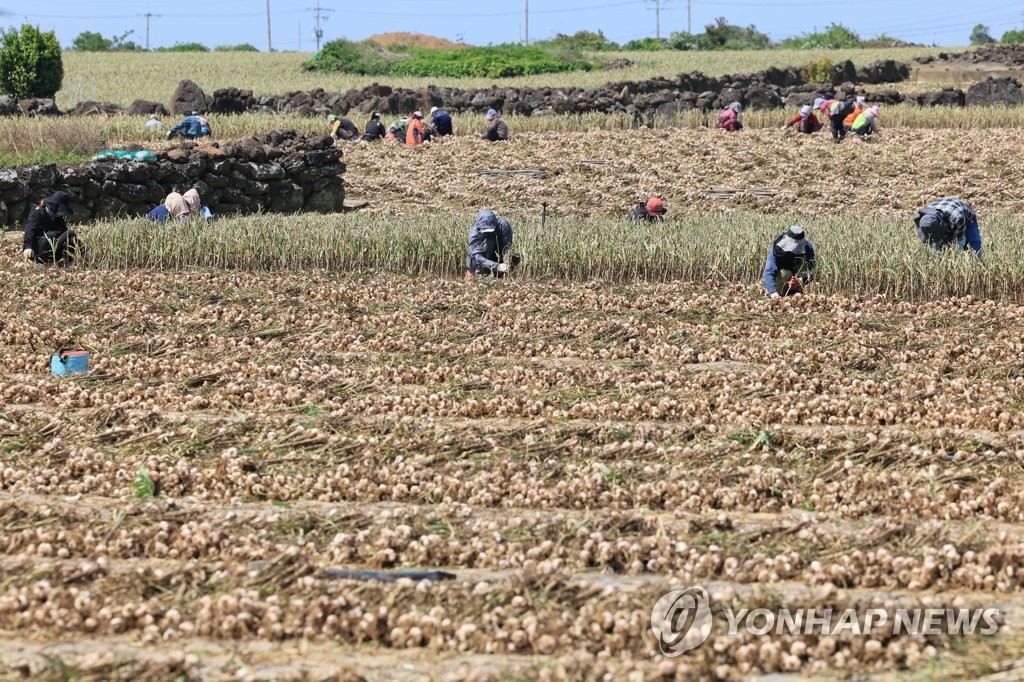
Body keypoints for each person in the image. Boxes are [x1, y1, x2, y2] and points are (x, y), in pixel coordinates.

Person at [22, 191, 81, 266]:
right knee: (52, 235)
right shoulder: (37, 213)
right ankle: (38, 262)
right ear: (55, 206)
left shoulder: (58, 218)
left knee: (69, 234)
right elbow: (30, 231)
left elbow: (65, 233)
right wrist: (28, 247)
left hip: (52, 251)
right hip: (38, 250)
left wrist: (80, 249)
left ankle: (73, 259)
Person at [914, 197, 981, 256]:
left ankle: (979, 262)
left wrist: (956, 260)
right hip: (944, 211)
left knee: (974, 248)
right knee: (938, 251)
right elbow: (934, 245)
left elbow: (960, 242)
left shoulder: (957, 219)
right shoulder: (923, 219)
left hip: (966, 217)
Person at [763, 225, 816, 298]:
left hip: (798, 278)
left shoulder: (807, 247)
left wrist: (800, 281)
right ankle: (780, 292)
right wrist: (772, 292)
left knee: (803, 264)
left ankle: (797, 291)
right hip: (782, 279)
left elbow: (813, 270)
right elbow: (769, 271)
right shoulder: (777, 247)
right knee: (785, 274)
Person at [465, 210, 518, 277]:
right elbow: (477, 257)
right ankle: (479, 274)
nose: (488, 233)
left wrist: (506, 254)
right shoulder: (473, 234)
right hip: (482, 259)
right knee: (488, 244)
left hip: (497, 252)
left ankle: (503, 273)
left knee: (516, 255)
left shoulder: (502, 224)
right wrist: (497, 266)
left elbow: (507, 243)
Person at [146, 189, 212, 222]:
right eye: (186, 203)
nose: (187, 208)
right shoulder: (163, 213)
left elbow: (207, 214)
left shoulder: (202, 208)